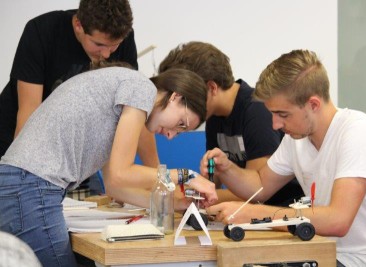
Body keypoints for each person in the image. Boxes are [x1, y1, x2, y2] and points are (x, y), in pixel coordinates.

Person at [0, 65, 217, 267]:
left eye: (180, 132)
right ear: (175, 97)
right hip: (31, 186)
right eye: (180, 123)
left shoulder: (122, 102)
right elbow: (122, 173)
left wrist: (175, 204)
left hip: (21, 183)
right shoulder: (142, 88)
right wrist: (187, 175)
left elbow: (114, 186)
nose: (171, 135)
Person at [201, 49, 366, 266]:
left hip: (364, 261)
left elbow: (338, 220)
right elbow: (260, 185)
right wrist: (227, 168)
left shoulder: (357, 131)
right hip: (322, 251)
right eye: (273, 114)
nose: (275, 125)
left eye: (282, 114)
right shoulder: (295, 139)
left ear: (313, 104)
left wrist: (254, 214)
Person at [0, 0, 159, 180]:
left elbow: (135, 106)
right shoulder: (42, 31)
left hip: (72, 153)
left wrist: (159, 180)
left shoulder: (125, 40)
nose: (106, 54)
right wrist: (21, 177)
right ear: (78, 25)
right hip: (16, 145)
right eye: (99, 44)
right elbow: (29, 113)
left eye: (114, 45)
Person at [158, 41, 304, 205]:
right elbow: (214, 181)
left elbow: (255, 193)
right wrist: (203, 186)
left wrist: (193, 196)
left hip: (281, 209)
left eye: (183, 99)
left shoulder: (257, 110)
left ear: (211, 88)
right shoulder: (214, 115)